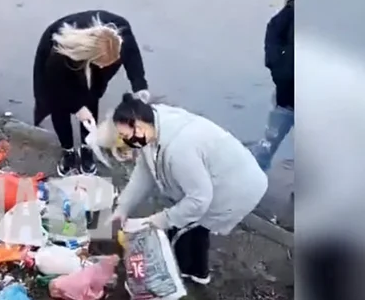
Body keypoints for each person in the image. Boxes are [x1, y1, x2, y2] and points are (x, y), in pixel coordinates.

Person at [109, 94, 268, 284]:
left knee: (181, 227)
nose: (127, 142)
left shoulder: (179, 149)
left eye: (126, 136)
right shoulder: (153, 124)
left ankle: (184, 275)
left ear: (139, 125)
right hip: (215, 179)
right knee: (193, 226)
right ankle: (197, 273)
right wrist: (123, 208)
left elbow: (199, 200)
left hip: (236, 187)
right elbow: (144, 173)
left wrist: (156, 221)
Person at [33, 10, 150, 176]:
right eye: (101, 64)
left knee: (90, 99)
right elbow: (56, 86)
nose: (103, 68)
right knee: (59, 108)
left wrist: (140, 87)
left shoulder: (120, 32)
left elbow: (132, 56)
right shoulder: (60, 52)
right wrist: (77, 107)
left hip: (90, 56)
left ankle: (87, 146)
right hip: (61, 62)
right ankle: (67, 150)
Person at [252, 0, 294, 172]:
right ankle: (250, 181)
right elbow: (273, 33)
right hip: (287, 95)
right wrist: (279, 67)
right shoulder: (292, 10)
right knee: (268, 143)